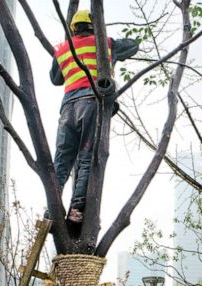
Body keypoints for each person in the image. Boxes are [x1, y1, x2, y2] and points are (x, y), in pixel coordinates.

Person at [50, 10, 137, 223]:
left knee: (61, 161)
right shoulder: (104, 43)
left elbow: (55, 78)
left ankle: (52, 208)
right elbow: (133, 45)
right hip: (91, 102)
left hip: (68, 108)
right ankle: (76, 209)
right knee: (87, 155)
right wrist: (108, 40)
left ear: (74, 28)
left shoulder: (61, 49)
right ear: (94, 25)